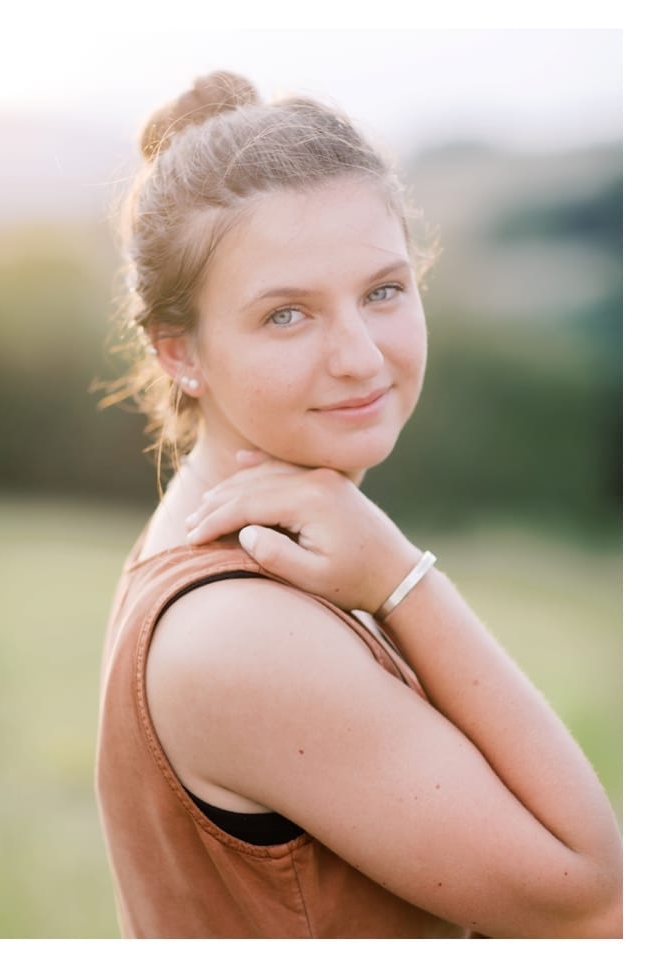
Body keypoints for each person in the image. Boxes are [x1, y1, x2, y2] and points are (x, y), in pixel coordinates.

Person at [94, 71, 621, 938]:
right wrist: (404, 579)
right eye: (287, 314)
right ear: (180, 352)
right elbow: (593, 902)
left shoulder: (213, 540)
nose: (359, 356)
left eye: (382, 291)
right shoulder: (245, 633)